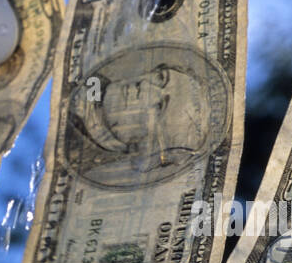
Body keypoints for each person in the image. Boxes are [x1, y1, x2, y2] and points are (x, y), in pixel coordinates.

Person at [72, 62, 211, 186]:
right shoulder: (90, 77)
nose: (145, 86)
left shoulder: (79, 163)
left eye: (159, 106)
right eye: (161, 78)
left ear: (149, 146)